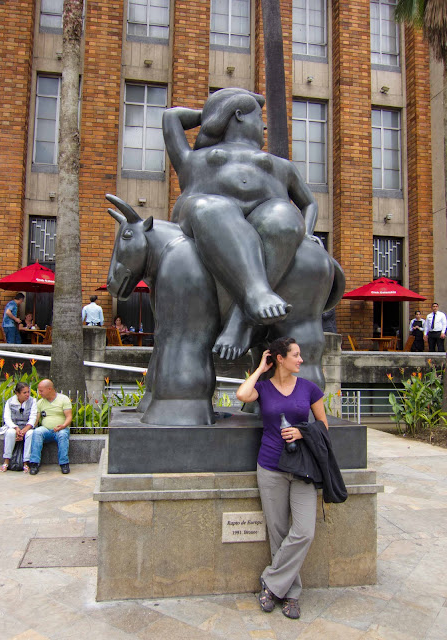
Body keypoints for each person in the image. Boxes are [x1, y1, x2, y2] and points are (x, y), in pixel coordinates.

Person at [163, 88, 319, 357]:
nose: (264, 125)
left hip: (269, 219)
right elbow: (170, 117)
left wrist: (307, 232)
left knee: (284, 215)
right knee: (212, 207)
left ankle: (242, 319)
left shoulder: (281, 165)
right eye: (259, 116)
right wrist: (214, 114)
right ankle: (256, 294)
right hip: (207, 218)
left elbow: (309, 204)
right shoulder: (193, 158)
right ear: (238, 115)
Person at [236, 337, 328, 620]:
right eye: (296, 355)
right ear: (280, 358)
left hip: (302, 468)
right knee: (277, 533)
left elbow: (324, 426)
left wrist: (303, 432)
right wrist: (259, 369)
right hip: (270, 466)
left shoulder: (310, 388)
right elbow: (242, 394)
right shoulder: (263, 388)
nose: (301, 359)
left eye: (300, 355)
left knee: (304, 532)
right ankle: (290, 594)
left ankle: (270, 583)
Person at [29, 379, 73, 475]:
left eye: (41, 391)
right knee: (37, 432)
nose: (39, 393)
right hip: (46, 430)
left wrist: (63, 425)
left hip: (61, 429)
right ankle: (34, 463)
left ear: (49, 389)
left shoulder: (64, 399)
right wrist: (27, 428)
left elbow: (69, 417)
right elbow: (36, 419)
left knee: (62, 435)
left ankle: (64, 463)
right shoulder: (40, 403)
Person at [0, 382, 37, 473]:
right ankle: (6, 461)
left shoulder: (33, 401)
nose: (27, 394)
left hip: (27, 427)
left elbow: (33, 418)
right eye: (24, 393)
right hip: (14, 426)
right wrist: (16, 428)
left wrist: (24, 430)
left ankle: (26, 462)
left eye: (28, 392)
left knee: (31, 434)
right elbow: (7, 418)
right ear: (17, 393)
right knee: (10, 433)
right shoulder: (10, 402)